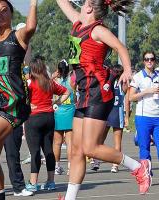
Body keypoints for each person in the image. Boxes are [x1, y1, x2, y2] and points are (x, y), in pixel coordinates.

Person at [56, 0, 152, 199]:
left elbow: (121, 48)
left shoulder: (98, 30)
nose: (80, 6)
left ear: (90, 8)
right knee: (76, 151)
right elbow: (63, 3)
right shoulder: (78, 23)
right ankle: (69, 198)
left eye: (83, 4)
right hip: (84, 93)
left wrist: (126, 69)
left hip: (98, 91)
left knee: (91, 148)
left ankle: (139, 167)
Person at [0, 0, 37, 199]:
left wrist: (33, 4)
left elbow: (30, 27)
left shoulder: (17, 36)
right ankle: (0, 194)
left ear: (11, 14)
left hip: (13, 104)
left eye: (4, 10)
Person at [25, 56, 70, 192]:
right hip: (49, 117)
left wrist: (28, 106)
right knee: (48, 150)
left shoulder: (30, 82)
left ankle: (33, 182)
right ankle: (51, 181)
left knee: (35, 152)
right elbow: (67, 92)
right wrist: (56, 103)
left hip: (34, 118)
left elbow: (21, 96)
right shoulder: (49, 82)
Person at [129, 51, 159, 172]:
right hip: (143, 117)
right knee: (144, 148)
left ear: (155, 61)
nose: (149, 61)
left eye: (151, 59)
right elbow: (131, 97)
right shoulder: (138, 77)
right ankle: (146, 174)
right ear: (143, 61)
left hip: (157, 117)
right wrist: (147, 91)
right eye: (147, 59)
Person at [53, 59, 76, 175]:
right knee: (70, 142)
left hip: (58, 112)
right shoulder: (72, 80)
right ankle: (70, 167)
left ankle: (57, 166)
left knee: (57, 142)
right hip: (70, 112)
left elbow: (45, 85)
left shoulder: (55, 81)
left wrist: (53, 76)